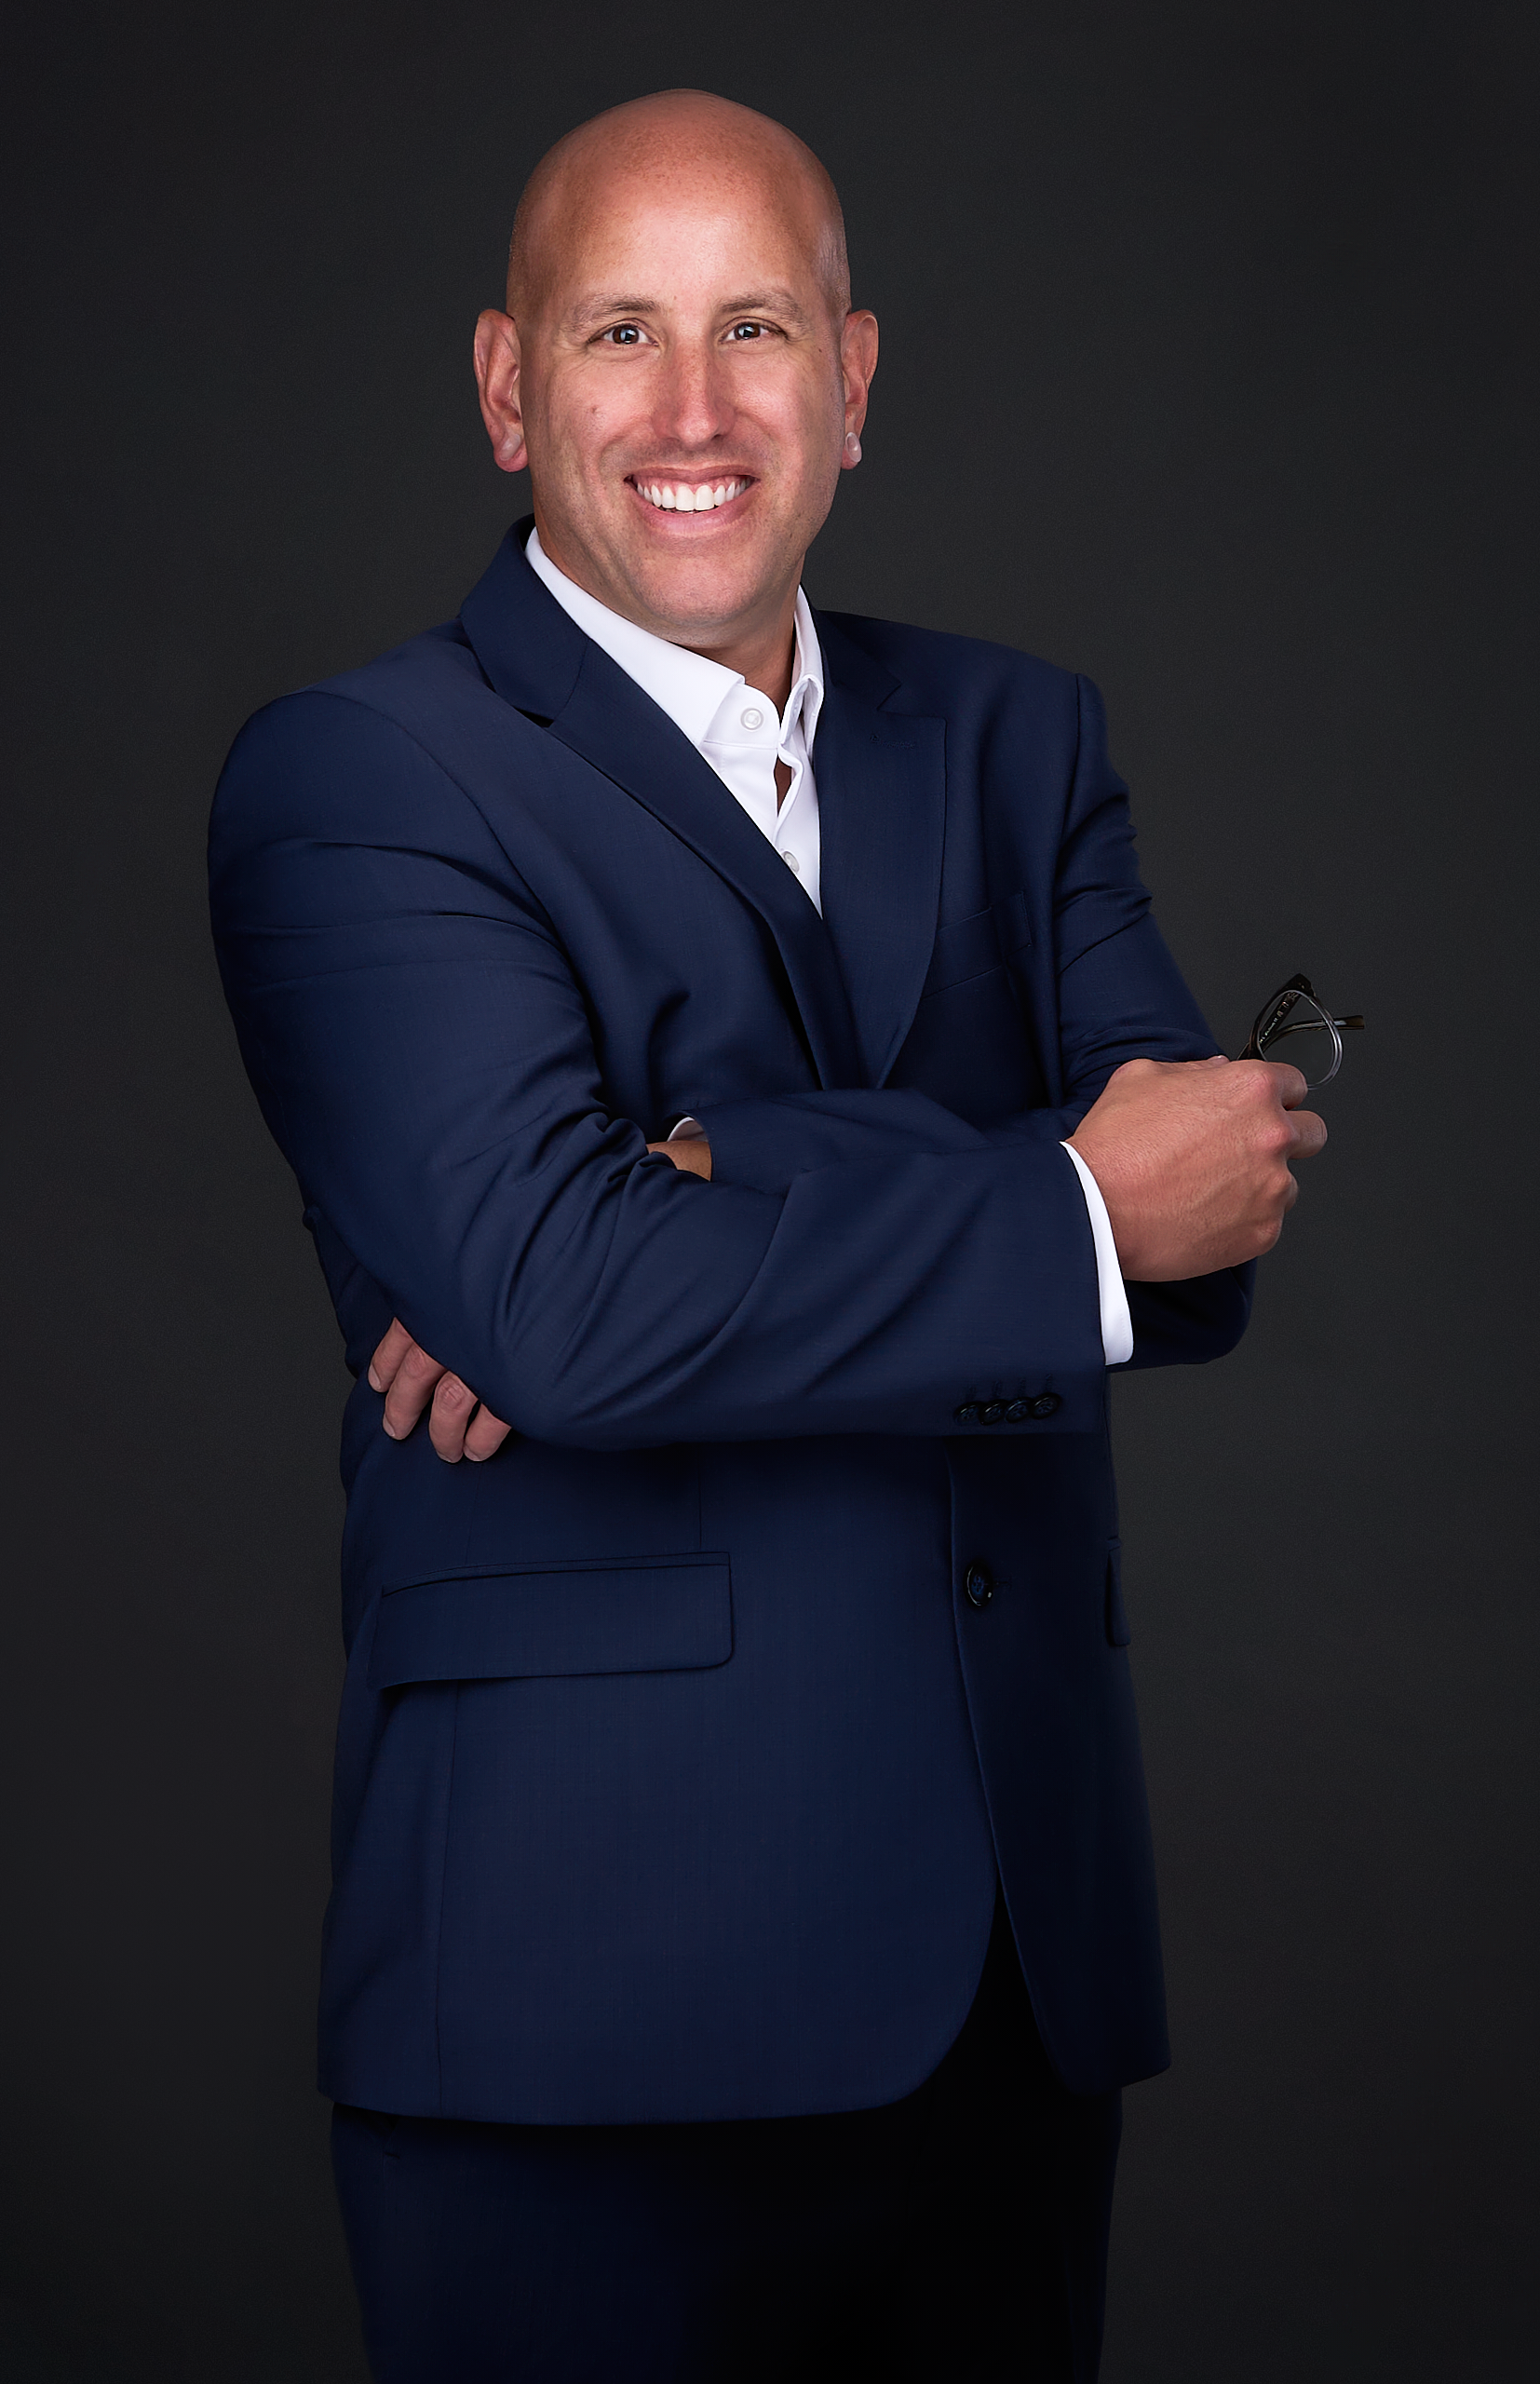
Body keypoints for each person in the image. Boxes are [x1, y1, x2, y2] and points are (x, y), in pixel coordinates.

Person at [209, 88, 1324, 2384]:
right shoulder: (358, 775)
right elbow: (569, 1303)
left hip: (1009, 1994)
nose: (695, 409)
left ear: (854, 379)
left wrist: (714, 1168)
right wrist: (1032, 1192)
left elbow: (1193, 1229)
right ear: (511, 386)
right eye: (621, 330)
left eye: (757, 330)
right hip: (576, 2000)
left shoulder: (1020, 736)